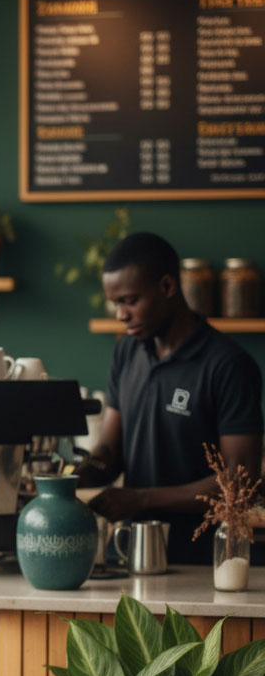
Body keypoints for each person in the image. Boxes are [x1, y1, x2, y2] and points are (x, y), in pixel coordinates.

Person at [79, 232, 263, 563]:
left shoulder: (227, 364)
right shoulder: (125, 352)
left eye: (130, 301)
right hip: (129, 552)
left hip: (201, 563)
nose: (121, 315)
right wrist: (76, 475)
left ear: (167, 287)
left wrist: (140, 500)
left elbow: (239, 480)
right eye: (115, 303)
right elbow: (109, 452)